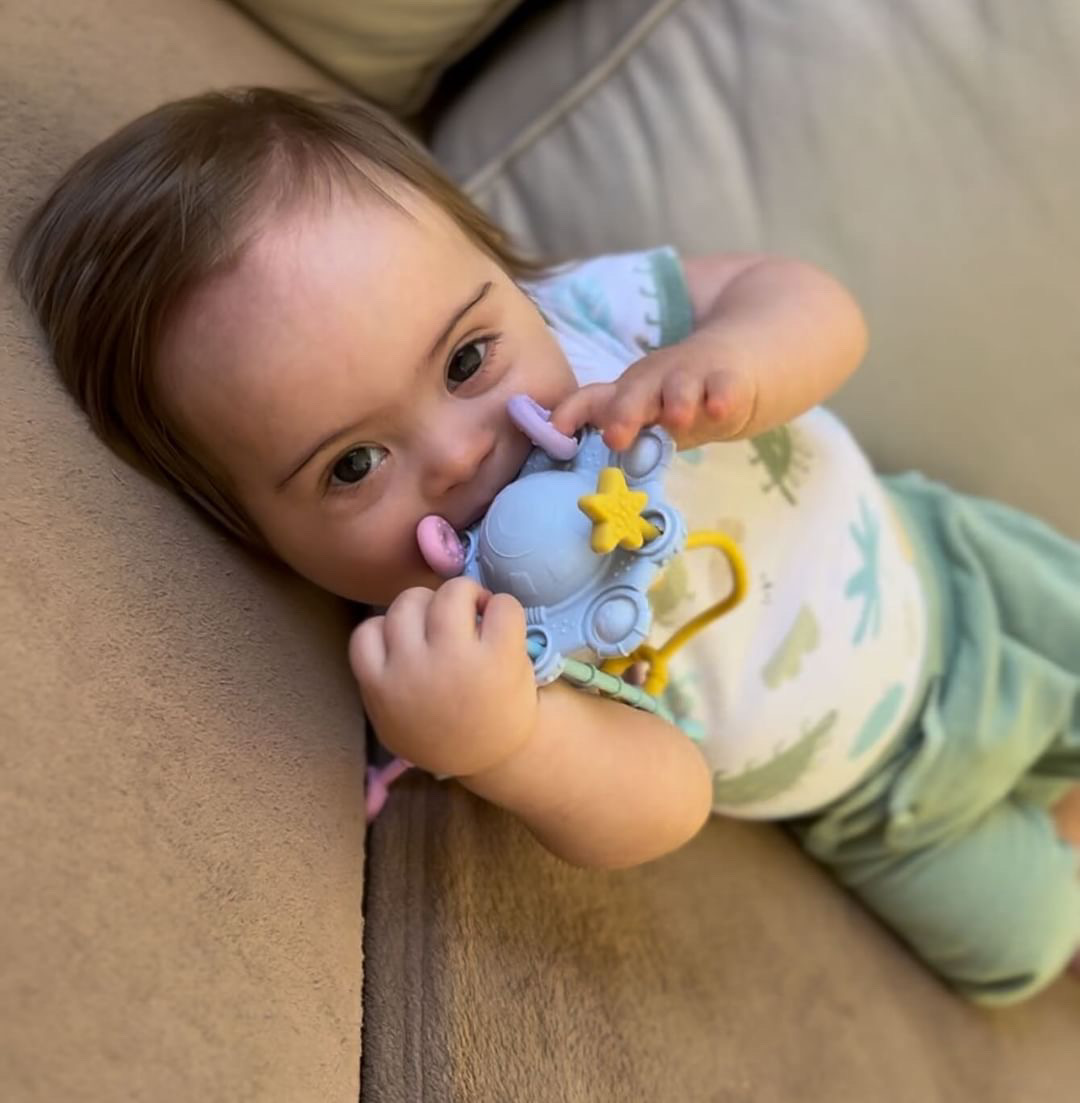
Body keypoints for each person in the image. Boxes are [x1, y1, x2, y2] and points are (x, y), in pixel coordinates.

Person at [10, 87, 1080, 1006]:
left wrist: (738, 363)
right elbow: (665, 802)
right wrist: (506, 744)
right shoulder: (473, 644)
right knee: (1020, 949)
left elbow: (813, 305)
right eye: (352, 464)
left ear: (502, 277)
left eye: (467, 358)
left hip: (956, 574)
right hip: (871, 799)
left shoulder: (600, 318)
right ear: (252, 534)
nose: (460, 451)